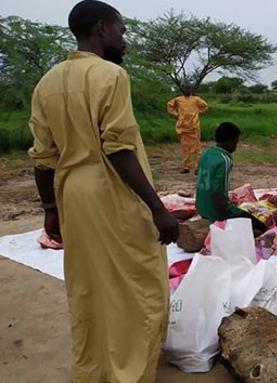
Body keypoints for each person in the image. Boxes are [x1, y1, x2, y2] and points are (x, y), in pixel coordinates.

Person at [27, 1, 179, 381]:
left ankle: (94, 370)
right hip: (111, 191)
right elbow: (119, 150)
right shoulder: (110, 76)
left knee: (90, 285)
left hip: (72, 194)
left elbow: (43, 159)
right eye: (121, 31)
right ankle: (128, 372)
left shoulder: (46, 82)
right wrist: (158, 208)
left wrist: (51, 209)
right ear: (101, 29)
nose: (124, 40)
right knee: (138, 281)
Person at [196, 122, 267, 233]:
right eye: (236, 142)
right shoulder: (225, 160)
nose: (235, 145)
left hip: (201, 208)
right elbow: (218, 192)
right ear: (230, 141)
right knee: (260, 227)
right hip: (216, 211)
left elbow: (198, 173)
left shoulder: (207, 153)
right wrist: (226, 215)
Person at [167, 83, 209, 173]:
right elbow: (169, 106)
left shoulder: (196, 99)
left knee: (197, 148)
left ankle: (198, 167)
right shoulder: (178, 99)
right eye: (185, 89)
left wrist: (197, 113)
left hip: (194, 127)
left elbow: (205, 106)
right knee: (185, 148)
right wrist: (176, 114)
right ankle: (186, 167)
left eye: (189, 88)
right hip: (182, 127)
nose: (187, 90)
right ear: (182, 90)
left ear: (191, 90)